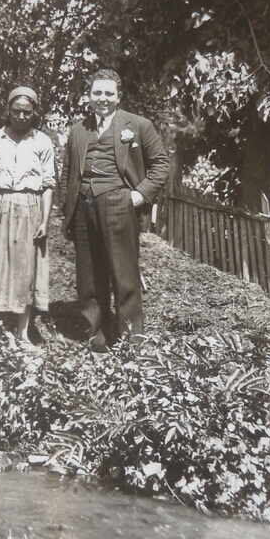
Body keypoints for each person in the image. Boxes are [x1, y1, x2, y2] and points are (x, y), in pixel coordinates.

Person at [62, 69, 170, 350]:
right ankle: (95, 335)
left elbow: (161, 165)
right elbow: (68, 174)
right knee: (89, 277)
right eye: (97, 93)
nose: (103, 98)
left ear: (118, 96)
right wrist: (69, 208)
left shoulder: (138, 125)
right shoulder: (77, 130)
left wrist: (138, 195)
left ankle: (131, 343)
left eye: (109, 93)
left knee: (124, 275)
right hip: (83, 207)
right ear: (89, 96)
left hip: (118, 205)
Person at [0, 86, 55, 350]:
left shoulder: (42, 142)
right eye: (16, 111)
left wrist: (44, 220)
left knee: (25, 269)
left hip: (28, 207)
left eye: (26, 112)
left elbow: (48, 184)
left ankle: (22, 331)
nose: (20, 116)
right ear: (8, 110)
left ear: (34, 113)